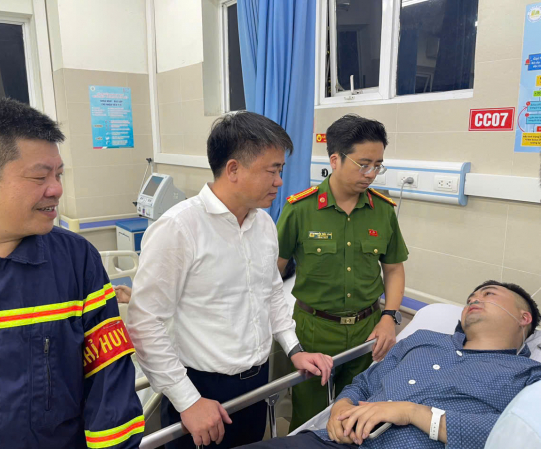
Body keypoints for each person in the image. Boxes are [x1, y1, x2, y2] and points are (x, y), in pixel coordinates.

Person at [0, 98, 144, 449]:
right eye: (39, 177)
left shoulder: (76, 261)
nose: (57, 189)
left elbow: (108, 387)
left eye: (58, 174)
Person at [126, 111, 333, 449]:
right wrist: (188, 401)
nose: (280, 181)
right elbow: (144, 323)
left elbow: (271, 293)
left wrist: (294, 349)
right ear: (234, 169)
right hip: (201, 389)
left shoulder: (263, 224)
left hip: (256, 384)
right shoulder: (179, 228)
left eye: (280, 170)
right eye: (272, 170)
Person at [239, 280, 541, 448]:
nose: (473, 299)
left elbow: (516, 437)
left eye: (488, 295)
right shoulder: (423, 339)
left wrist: (412, 413)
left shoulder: (528, 377)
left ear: (523, 317)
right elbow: (365, 383)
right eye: (471, 296)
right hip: (334, 443)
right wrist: (341, 406)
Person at [276, 114, 409, 430]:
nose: (371, 174)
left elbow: (393, 269)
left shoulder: (383, 211)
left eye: (378, 165)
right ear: (334, 159)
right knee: (309, 418)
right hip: (314, 330)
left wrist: (389, 318)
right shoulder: (299, 209)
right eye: (363, 164)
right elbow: (272, 274)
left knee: (359, 414)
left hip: (368, 330)